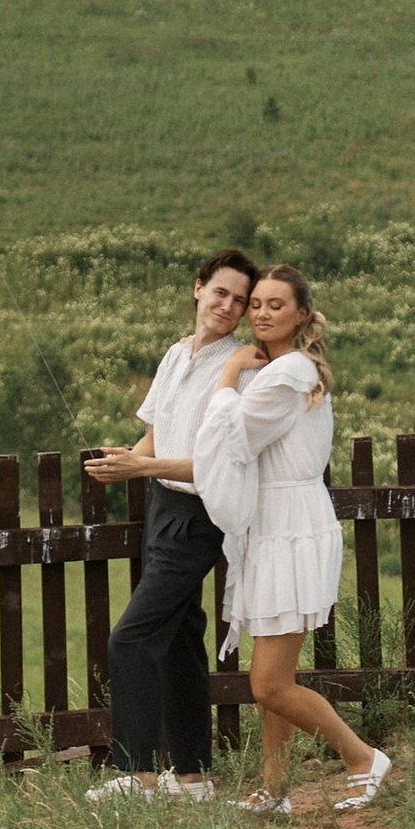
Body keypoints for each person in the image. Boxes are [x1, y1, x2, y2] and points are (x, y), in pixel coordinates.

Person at [193, 262, 390, 815]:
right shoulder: (284, 371)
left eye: (275, 305)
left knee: (268, 684)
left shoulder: (287, 374)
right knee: (271, 673)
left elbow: (228, 440)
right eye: (255, 304)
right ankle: (274, 790)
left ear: (302, 313)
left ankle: (362, 757)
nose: (260, 313)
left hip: (291, 529)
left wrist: (228, 371)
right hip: (274, 525)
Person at [82, 247, 256, 797]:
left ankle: (135, 776)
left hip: (198, 516)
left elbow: (221, 465)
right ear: (197, 288)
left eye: (241, 300)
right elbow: (159, 431)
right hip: (161, 507)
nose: (228, 306)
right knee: (182, 641)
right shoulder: (176, 355)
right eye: (221, 292)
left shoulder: (243, 369)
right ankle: (194, 776)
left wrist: (144, 465)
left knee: (131, 640)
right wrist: (125, 463)